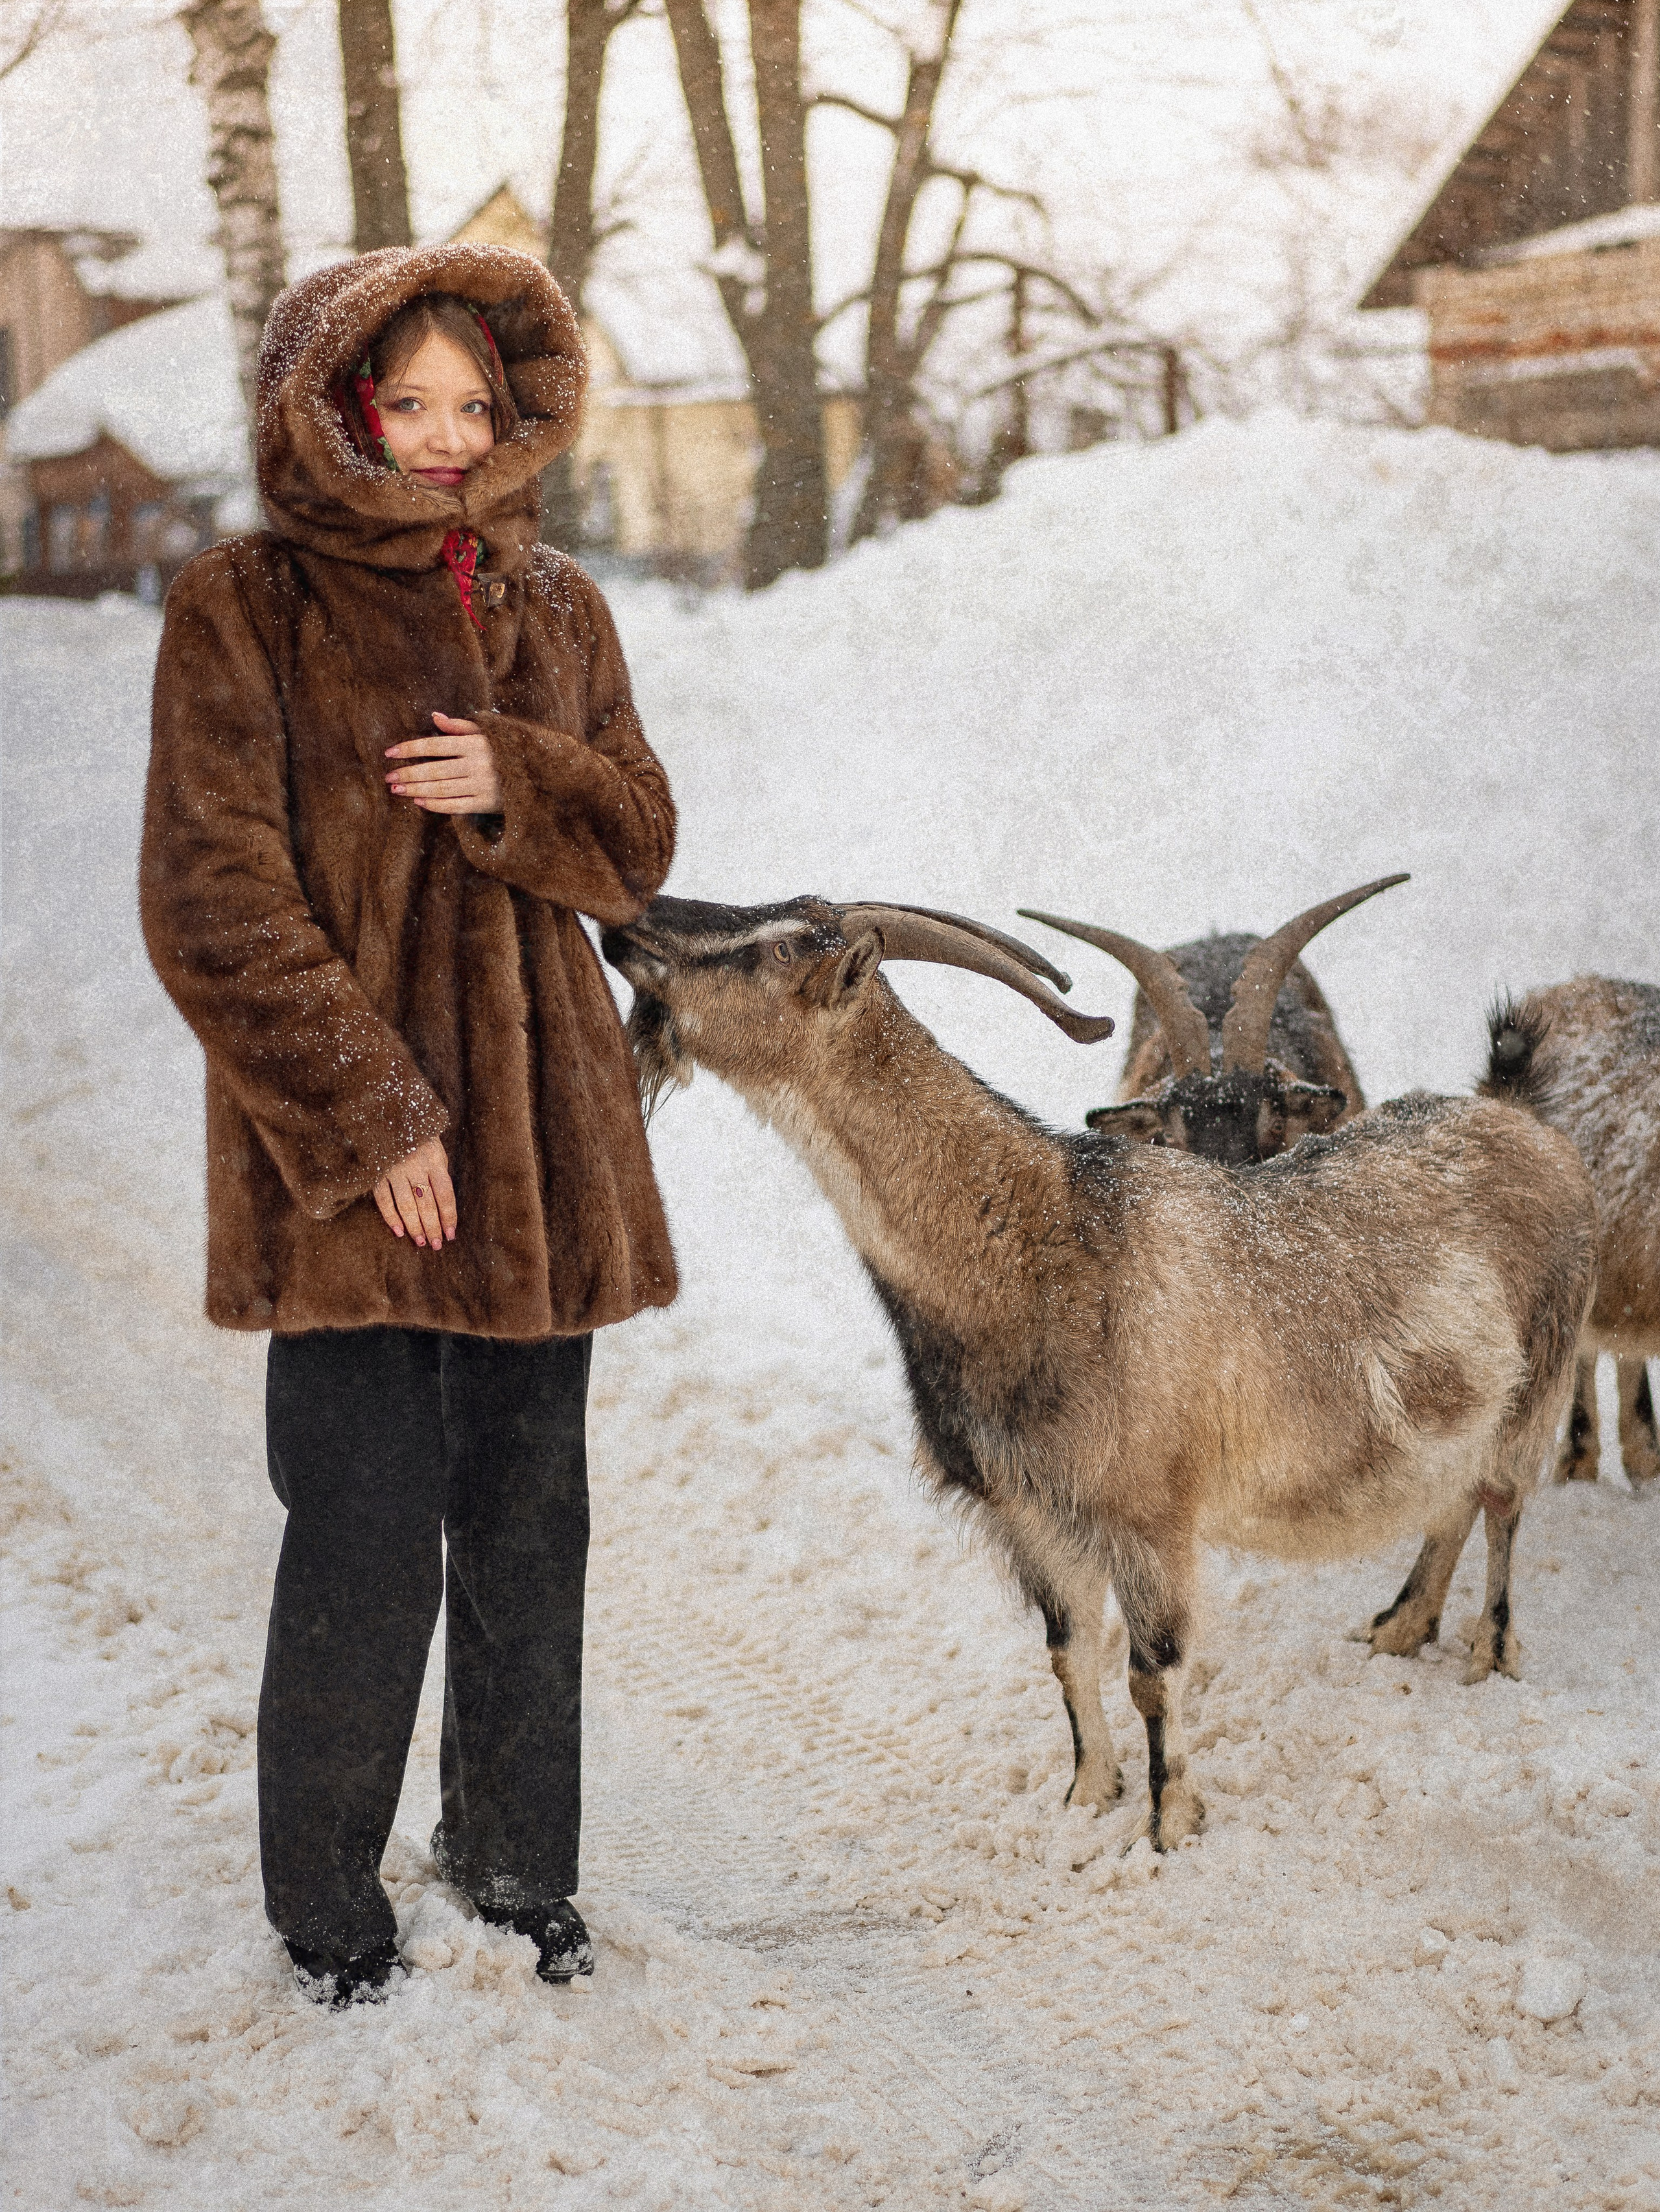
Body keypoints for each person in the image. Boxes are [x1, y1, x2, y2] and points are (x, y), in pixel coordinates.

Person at [139, 245, 678, 2008]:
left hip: (539, 1159)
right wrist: (372, 1116)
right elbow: (213, 894)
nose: (449, 440)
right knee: (364, 1528)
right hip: (357, 1169)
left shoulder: (563, 608)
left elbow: (638, 848)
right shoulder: (247, 605)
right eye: (410, 405)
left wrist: (525, 779)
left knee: (527, 1524)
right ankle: (329, 1914)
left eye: (476, 407)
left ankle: (519, 1872)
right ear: (333, 406)